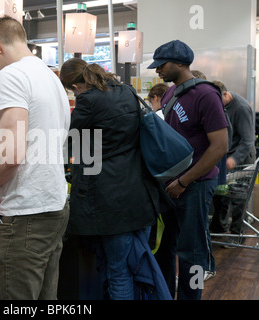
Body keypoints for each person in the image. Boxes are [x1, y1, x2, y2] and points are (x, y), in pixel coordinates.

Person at [0, 16, 71, 300]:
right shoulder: (50, 77)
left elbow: (12, 155)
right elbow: (42, 139)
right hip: (54, 205)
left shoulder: (11, 75)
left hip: (24, 216)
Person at [59, 58, 170, 300]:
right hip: (139, 191)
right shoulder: (126, 91)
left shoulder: (88, 101)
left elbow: (68, 139)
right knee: (134, 265)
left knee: (118, 271)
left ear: (75, 87)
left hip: (112, 199)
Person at [148, 40, 228, 300]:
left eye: (162, 65)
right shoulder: (171, 93)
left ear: (180, 63)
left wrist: (184, 182)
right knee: (165, 247)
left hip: (194, 185)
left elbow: (219, 147)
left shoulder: (206, 94)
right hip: (171, 186)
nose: (157, 70)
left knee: (192, 253)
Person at [209, 80, 256, 242]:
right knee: (221, 196)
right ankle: (218, 230)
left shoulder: (241, 108)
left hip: (242, 159)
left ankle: (238, 235)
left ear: (226, 94)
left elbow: (248, 140)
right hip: (226, 157)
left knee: (238, 199)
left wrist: (234, 159)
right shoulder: (223, 106)